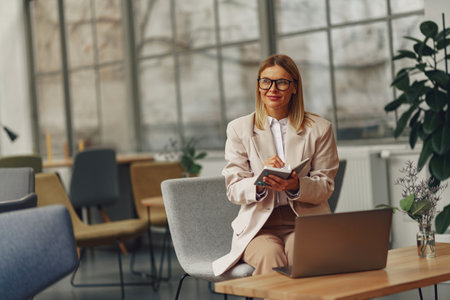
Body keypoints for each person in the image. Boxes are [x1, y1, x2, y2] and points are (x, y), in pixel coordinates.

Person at [212, 54, 339, 276]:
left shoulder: (320, 128)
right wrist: (260, 181)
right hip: (258, 226)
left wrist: (295, 185)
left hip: (304, 221)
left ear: (294, 88)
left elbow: (325, 186)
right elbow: (233, 189)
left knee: (301, 253)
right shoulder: (239, 129)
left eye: (282, 82)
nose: (273, 89)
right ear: (259, 86)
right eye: (266, 81)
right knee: (271, 256)